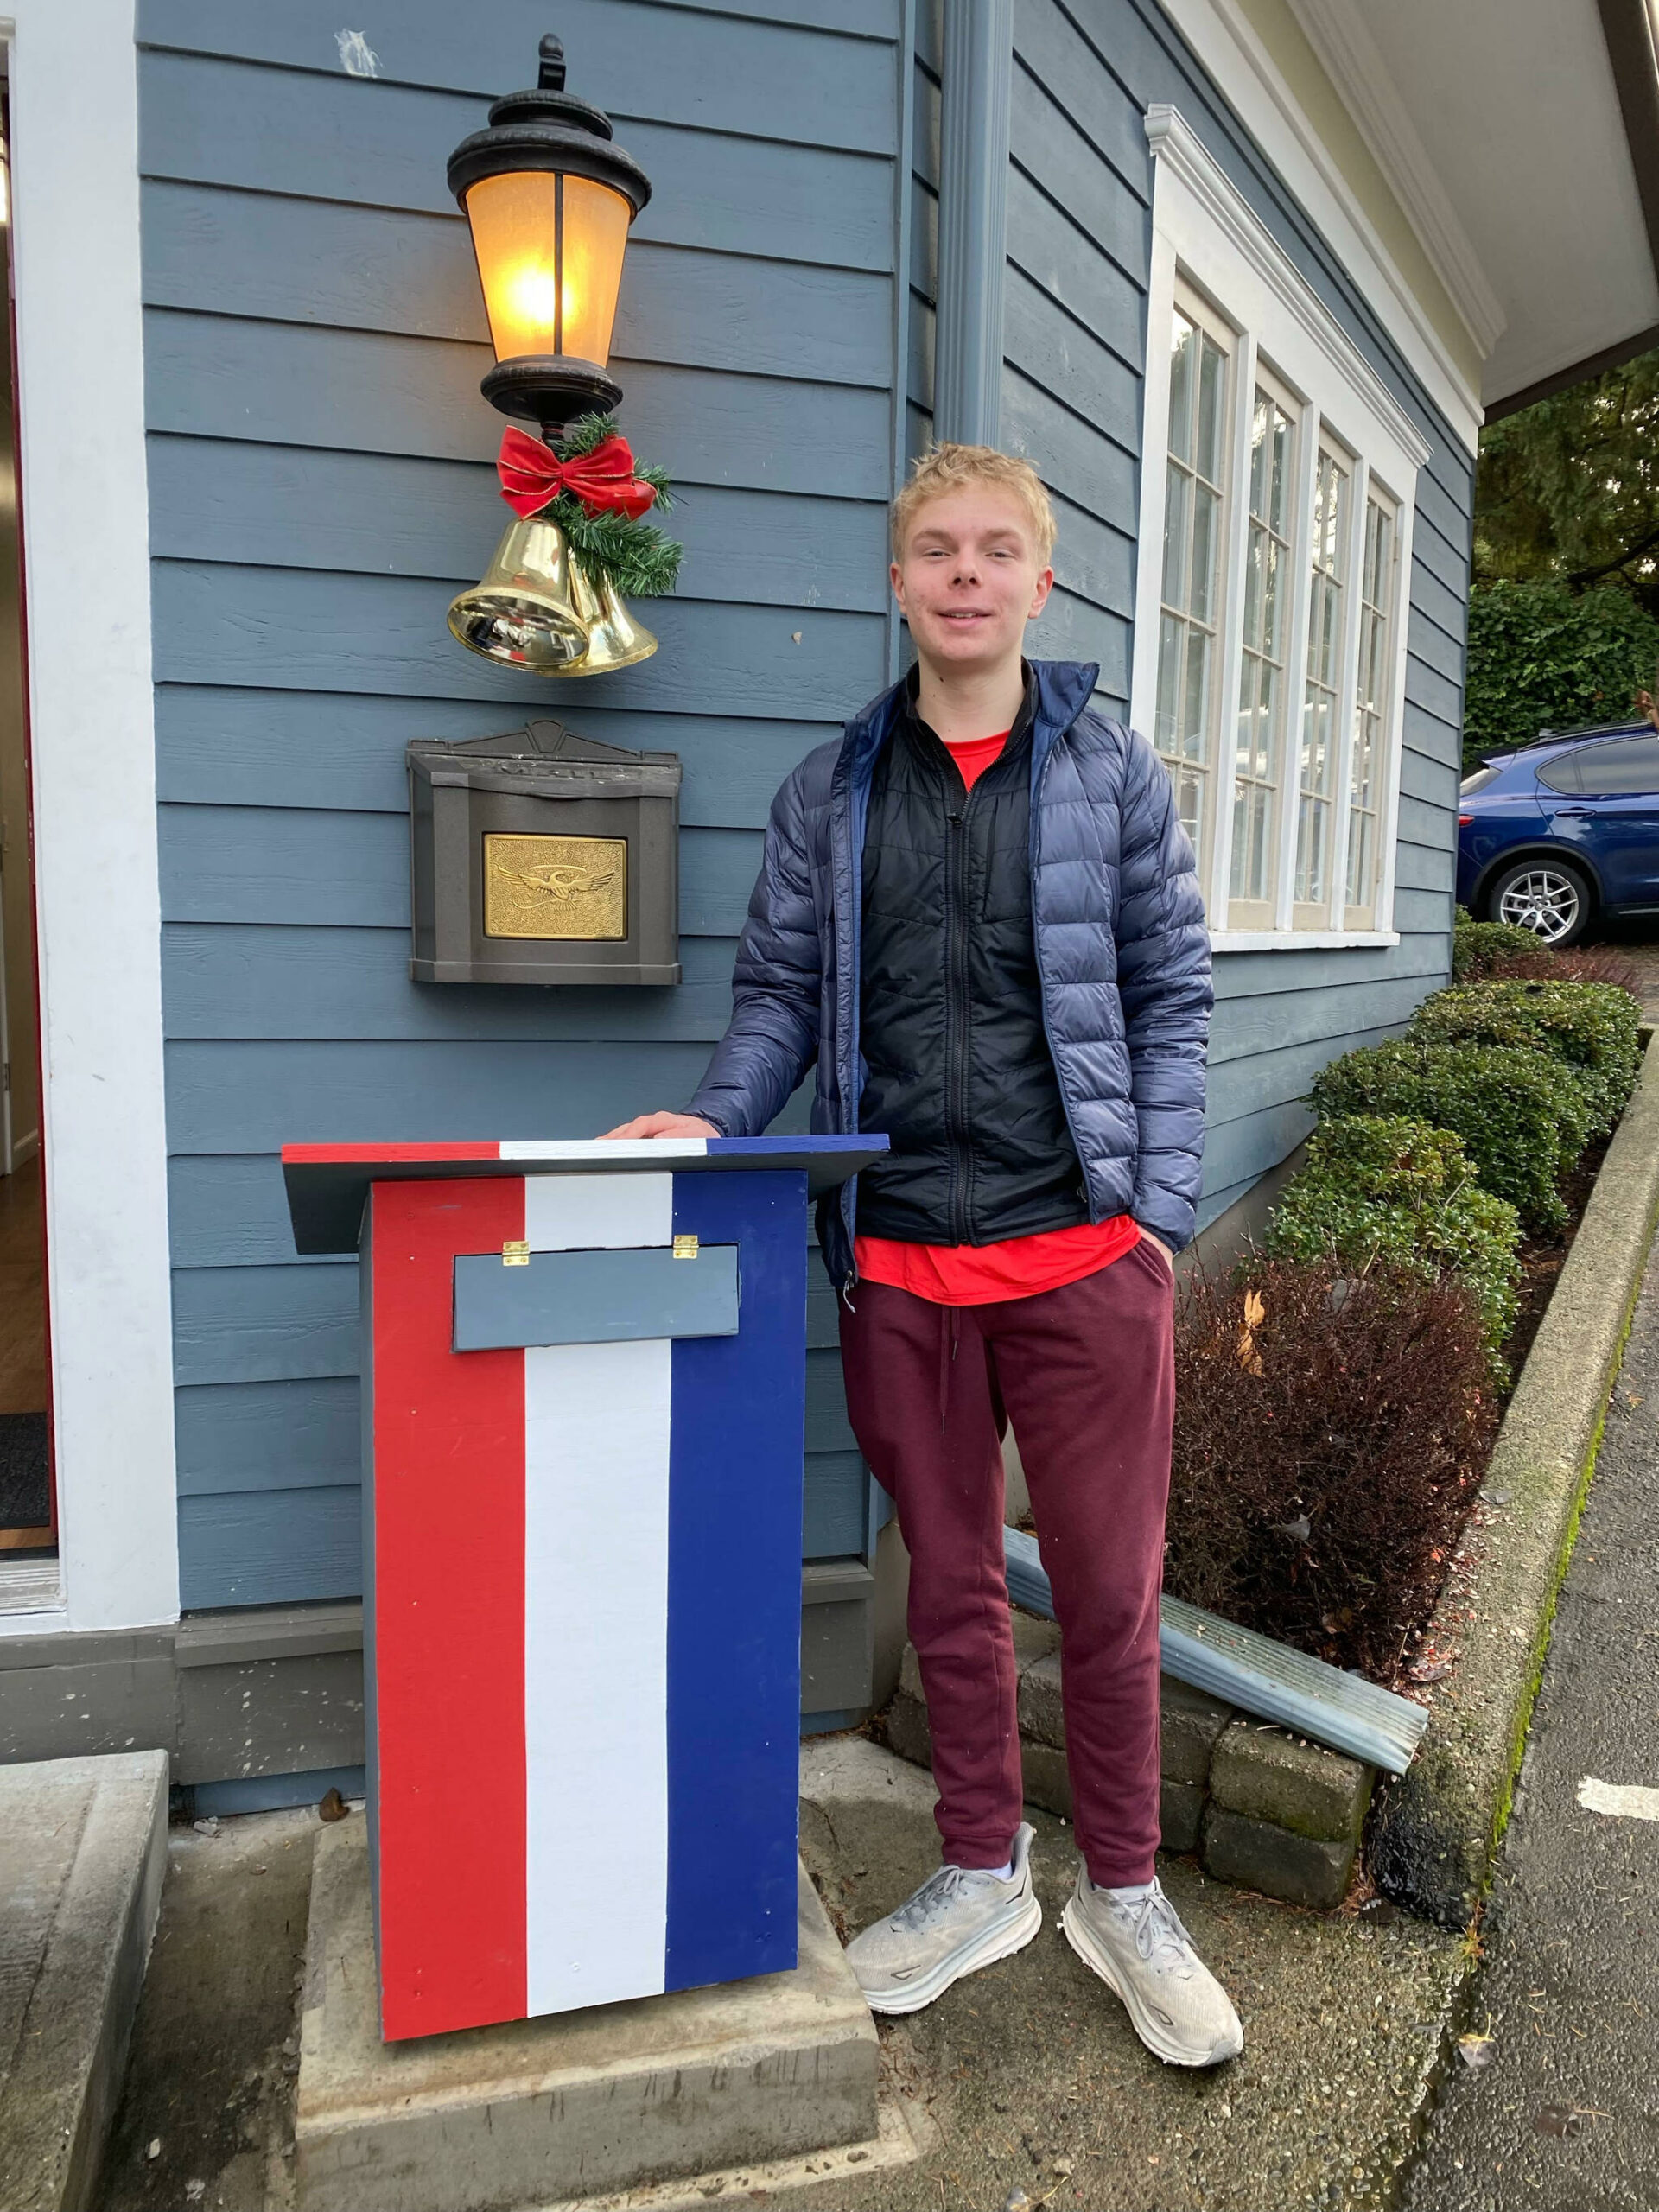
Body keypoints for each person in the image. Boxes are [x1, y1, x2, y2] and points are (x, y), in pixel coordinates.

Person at [602, 442, 1240, 2068]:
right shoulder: (833, 790)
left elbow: (1173, 998)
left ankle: (1123, 1889)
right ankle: (980, 1871)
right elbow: (775, 1004)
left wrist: (1158, 1221)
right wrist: (714, 1126)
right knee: (948, 1594)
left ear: (1045, 581)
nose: (966, 573)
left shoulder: (1111, 776)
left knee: (1106, 1595)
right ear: (897, 584)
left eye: (997, 549)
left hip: (1087, 1255)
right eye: (936, 550)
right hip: (900, 1266)